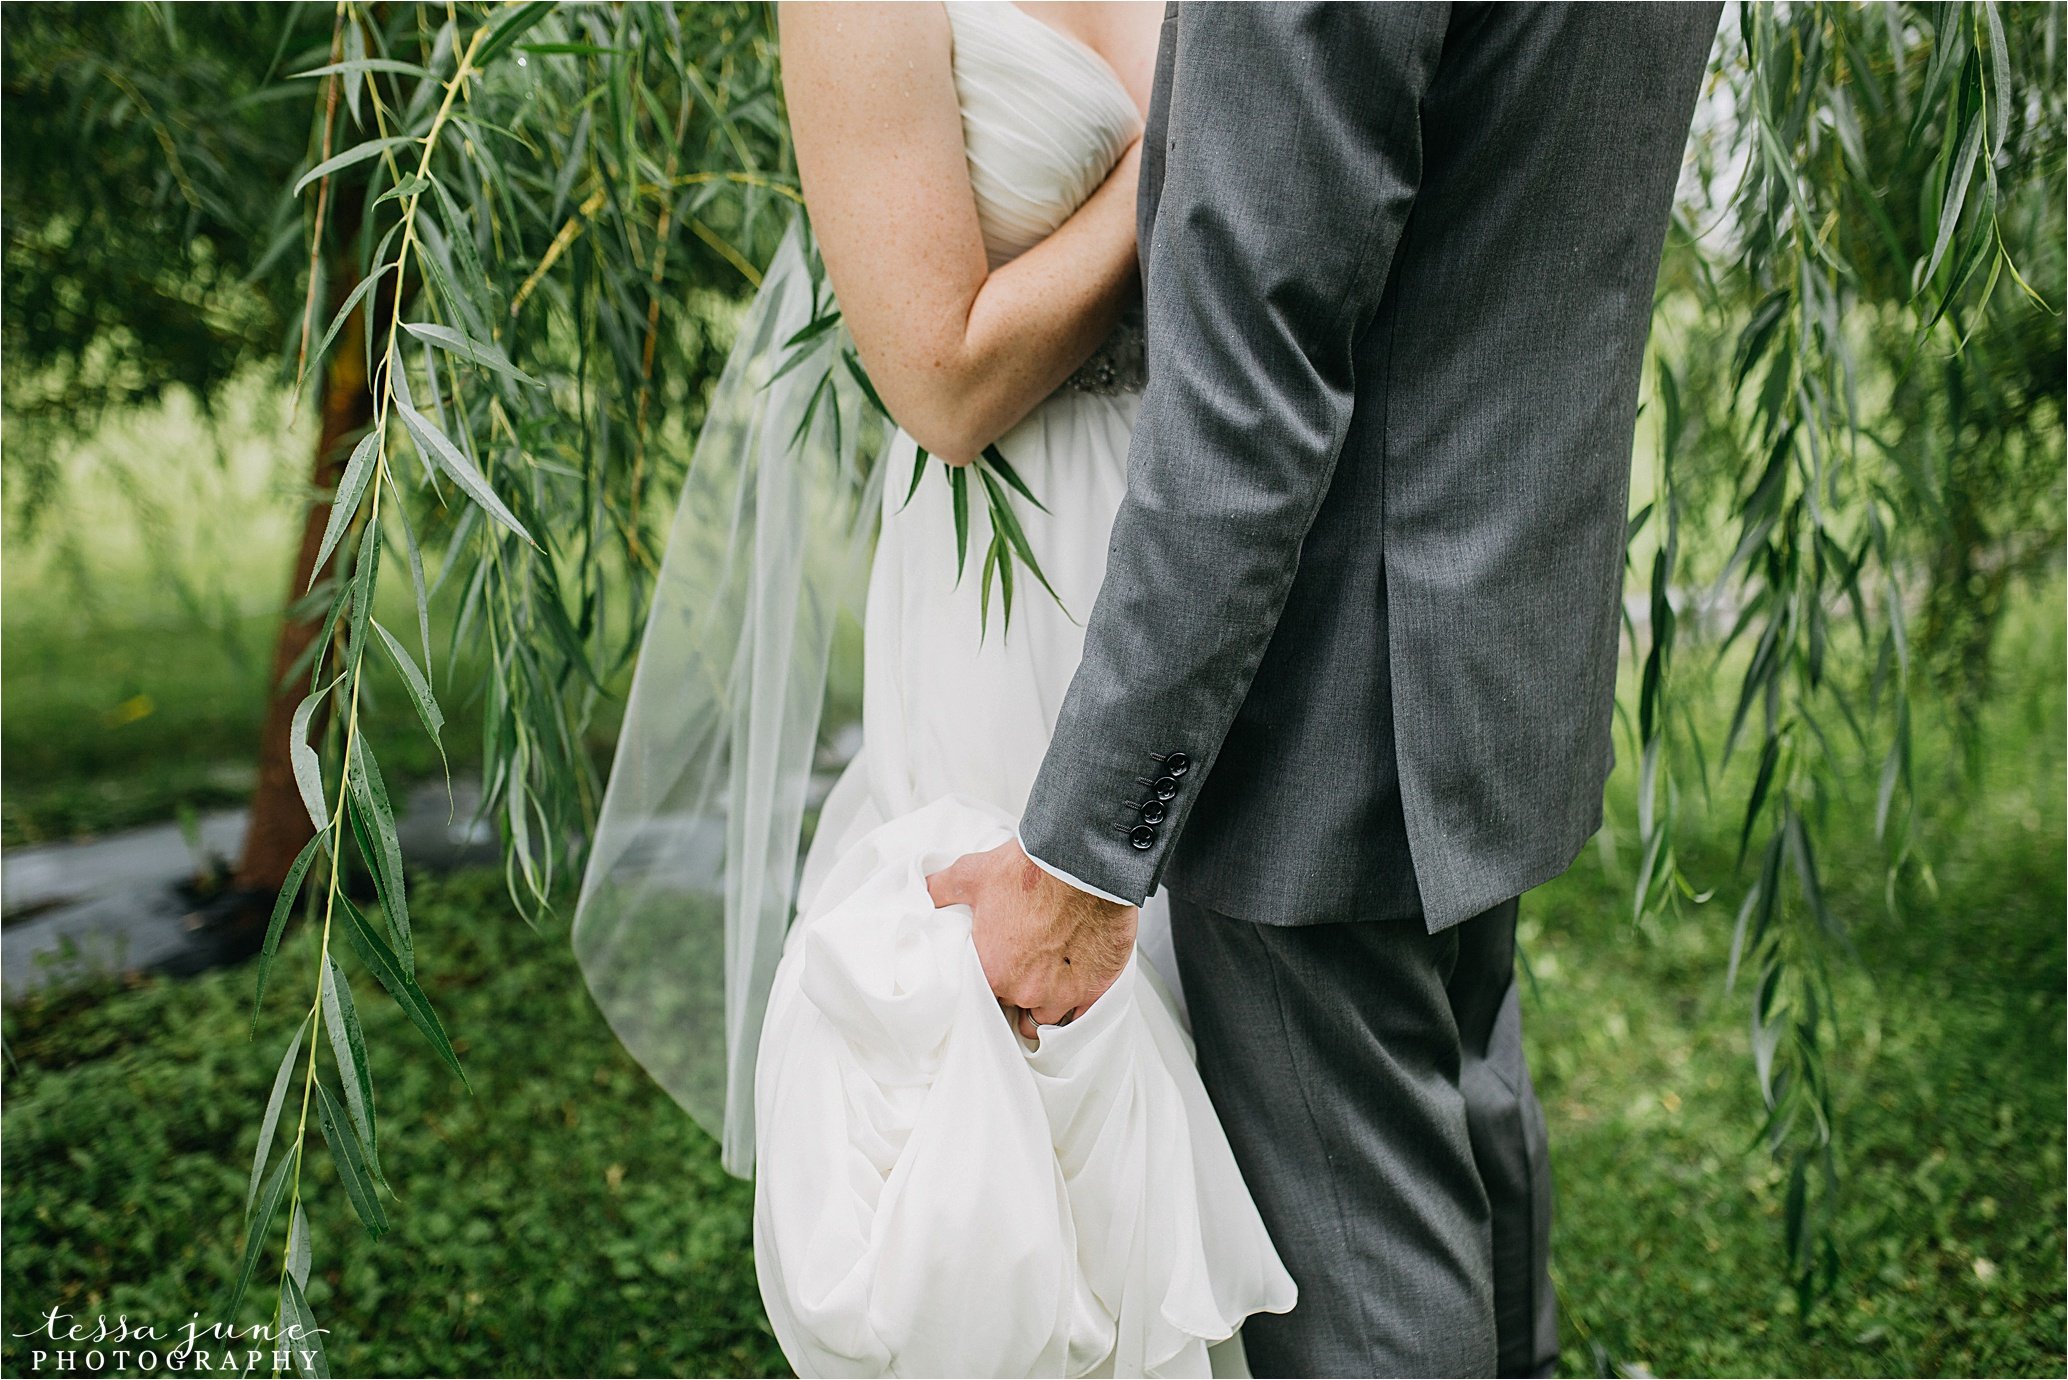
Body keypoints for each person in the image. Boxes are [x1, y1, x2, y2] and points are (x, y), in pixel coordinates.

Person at [925, 3, 1722, 1376]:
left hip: (1327, 702)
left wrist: (1083, 857)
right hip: (1500, 627)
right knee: (1463, 1136)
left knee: (1371, 1275)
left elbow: (1253, 383)